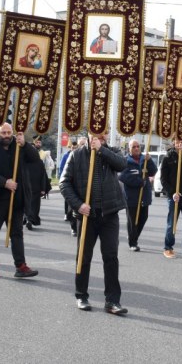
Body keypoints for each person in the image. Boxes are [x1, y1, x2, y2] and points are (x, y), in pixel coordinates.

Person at [60, 132, 128, 314]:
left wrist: (101, 150)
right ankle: (81, 295)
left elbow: (122, 164)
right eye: (96, 133)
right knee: (83, 257)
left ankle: (112, 301)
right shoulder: (77, 155)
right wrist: (78, 205)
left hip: (109, 214)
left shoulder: (111, 152)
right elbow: (64, 183)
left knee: (111, 257)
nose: (101, 136)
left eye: (104, 132)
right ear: (89, 134)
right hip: (87, 216)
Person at [0, 123, 39, 278]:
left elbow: (35, 159)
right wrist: (5, 182)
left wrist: (25, 144)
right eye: (3, 132)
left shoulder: (19, 147)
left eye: (8, 132)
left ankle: (21, 266)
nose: (6, 135)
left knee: (17, 234)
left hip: (16, 200)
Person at [119, 139, 156, 252]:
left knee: (143, 218)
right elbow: (122, 176)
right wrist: (139, 182)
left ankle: (133, 236)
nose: (136, 148)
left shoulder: (145, 159)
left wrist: (149, 161)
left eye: (138, 146)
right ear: (129, 148)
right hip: (131, 197)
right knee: (132, 220)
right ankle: (133, 243)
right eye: (133, 146)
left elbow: (153, 171)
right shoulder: (125, 160)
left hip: (144, 195)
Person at [24, 137, 50, 230]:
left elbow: (43, 176)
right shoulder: (23, 161)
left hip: (34, 188)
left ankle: (28, 219)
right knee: (29, 205)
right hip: (27, 187)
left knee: (31, 205)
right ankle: (28, 219)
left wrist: (43, 189)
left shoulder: (39, 162)